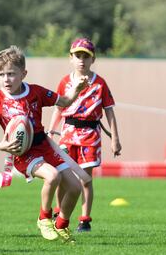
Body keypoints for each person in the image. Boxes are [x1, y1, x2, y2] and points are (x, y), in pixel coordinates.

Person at [0, 45, 89, 243]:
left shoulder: (36, 92)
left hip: (44, 146)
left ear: (24, 73)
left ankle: (61, 225)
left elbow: (64, 101)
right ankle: (44, 218)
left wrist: (77, 89)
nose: (6, 79)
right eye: (1, 74)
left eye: (11, 74)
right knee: (53, 176)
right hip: (23, 153)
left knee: (75, 187)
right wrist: (0, 145)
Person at [48, 37, 121, 232]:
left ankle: (84, 219)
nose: (81, 60)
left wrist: (115, 139)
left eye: (86, 56)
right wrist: (51, 131)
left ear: (93, 59)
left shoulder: (100, 84)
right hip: (67, 133)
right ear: (70, 58)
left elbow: (109, 111)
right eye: (77, 56)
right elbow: (58, 108)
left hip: (90, 135)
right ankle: (59, 213)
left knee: (85, 178)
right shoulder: (65, 82)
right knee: (63, 176)